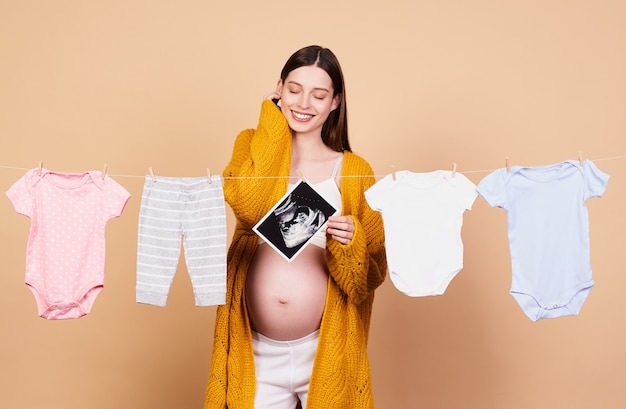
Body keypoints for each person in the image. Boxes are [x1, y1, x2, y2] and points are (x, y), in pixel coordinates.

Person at [204, 45, 387, 409]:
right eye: (294, 90)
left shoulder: (354, 171)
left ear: (335, 102)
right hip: (256, 351)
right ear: (278, 89)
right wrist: (271, 122)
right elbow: (248, 204)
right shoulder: (251, 145)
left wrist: (351, 242)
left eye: (319, 95)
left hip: (323, 349)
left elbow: (368, 278)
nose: (304, 103)